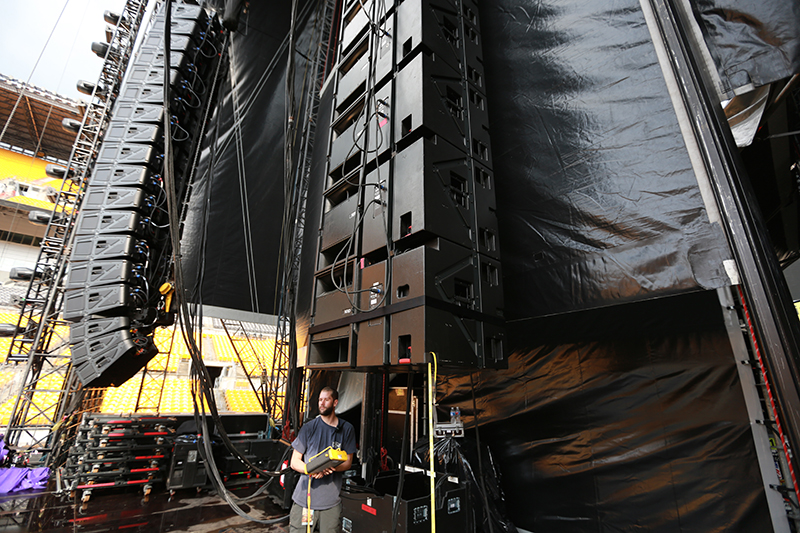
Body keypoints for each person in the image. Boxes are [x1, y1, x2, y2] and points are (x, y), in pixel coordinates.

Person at [289, 386, 357, 533]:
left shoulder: (347, 429)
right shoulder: (309, 428)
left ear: (335, 402)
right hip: (305, 503)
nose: (322, 403)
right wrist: (311, 470)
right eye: (320, 399)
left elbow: (348, 462)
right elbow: (294, 462)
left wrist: (329, 469)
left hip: (331, 503)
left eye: (326, 399)